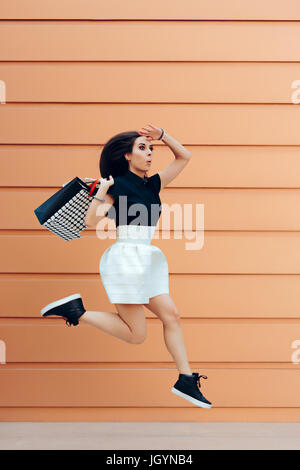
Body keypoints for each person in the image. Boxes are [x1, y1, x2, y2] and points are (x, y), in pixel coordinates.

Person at [40, 124, 212, 409]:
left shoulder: (153, 183)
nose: (149, 154)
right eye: (142, 149)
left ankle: (185, 378)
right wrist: (101, 191)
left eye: (151, 149)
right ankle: (76, 312)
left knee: (172, 315)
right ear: (126, 156)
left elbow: (184, 157)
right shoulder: (115, 185)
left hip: (147, 257)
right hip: (126, 259)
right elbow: (91, 222)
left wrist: (163, 136)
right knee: (137, 335)